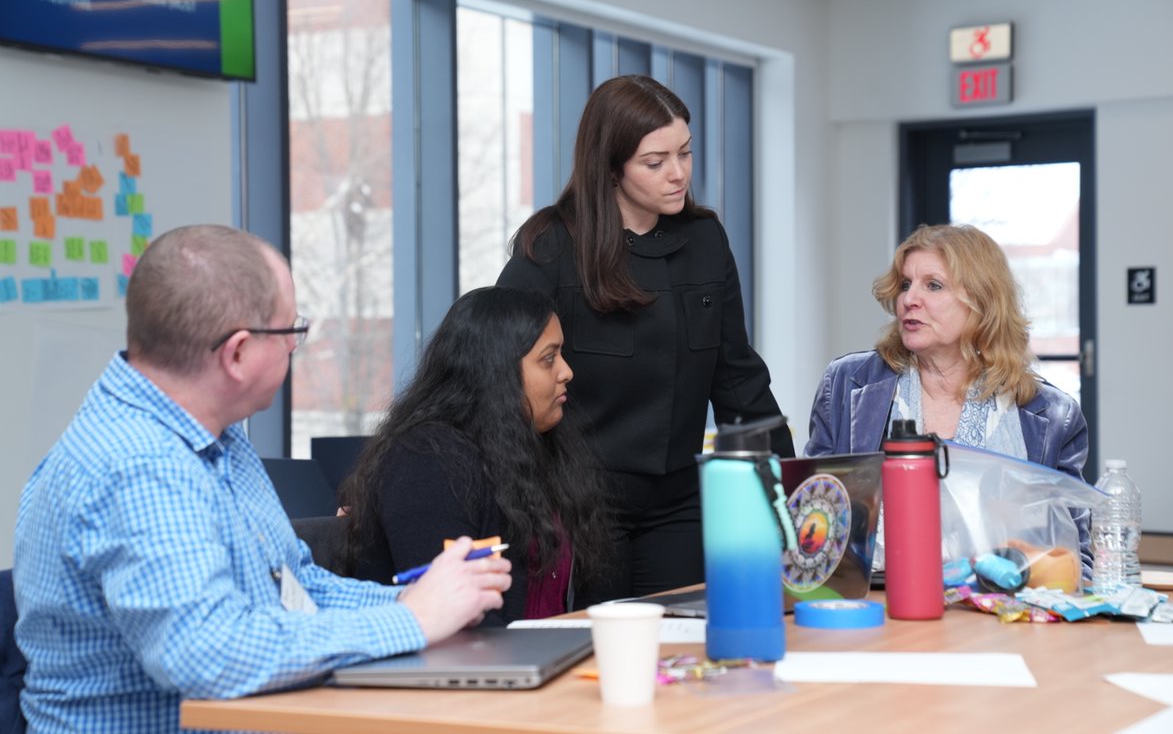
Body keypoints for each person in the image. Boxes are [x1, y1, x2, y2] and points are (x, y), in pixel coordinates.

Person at [12, 225, 511, 732]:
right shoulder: (138, 466)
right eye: (291, 330)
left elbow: (292, 586)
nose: (297, 346)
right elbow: (211, 656)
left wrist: (424, 599)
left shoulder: (217, 434)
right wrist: (411, 621)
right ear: (237, 354)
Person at [497, 75, 792, 599]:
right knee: (597, 650)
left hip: (677, 498)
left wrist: (787, 489)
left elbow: (738, 379)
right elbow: (499, 376)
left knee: (677, 642)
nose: (678, 174)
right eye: (655, 163)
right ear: (611, 166)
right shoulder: (551, 247)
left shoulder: (705, 240)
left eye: (685, 153)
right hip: (579, 500)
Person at [802, 223, 1091, 567]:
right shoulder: (847, 385)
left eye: (933, 286)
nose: (909, 299)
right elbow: (811, 523)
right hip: (874, 604)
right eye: (905, 285)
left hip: (1000, 611)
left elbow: (1075, 559)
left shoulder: (1051, 415)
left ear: (982, 303)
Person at [338, 286, 612, 623]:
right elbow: (452, 617)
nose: (566, 371)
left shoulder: (539, 449)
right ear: (497, 371)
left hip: (538, 660)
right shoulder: (426, 461)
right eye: (548, 358)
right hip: (466, 668)